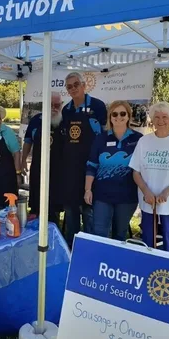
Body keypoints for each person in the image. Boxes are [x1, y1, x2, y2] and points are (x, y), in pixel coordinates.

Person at [84, 101, 142, 241]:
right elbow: (92, 165)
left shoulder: (139, 139)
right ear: (110, 117)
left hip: (127, 196)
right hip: (102, 194)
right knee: (99, 232)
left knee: (119, 235)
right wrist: (88, 189)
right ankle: (99, 261)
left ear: (128, 116)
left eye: (123, 113)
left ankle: (115, 263)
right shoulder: (101, 138)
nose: (118, 117)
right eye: (114, 114)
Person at [129, 102, 169, 253]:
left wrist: (168, 191)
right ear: (152, 119)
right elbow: (136, 171)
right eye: (157, 117)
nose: (161, 120)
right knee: (148, 241)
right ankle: (148, 271)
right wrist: (146, 191)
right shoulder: (144, 141)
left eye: (164, 117)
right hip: (148, 201)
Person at [61, 72, 107, 247]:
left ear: (83, 85)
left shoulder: (98, 106)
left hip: (91, 167)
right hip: (71, 168)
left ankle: (90, 247)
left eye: (75, 85)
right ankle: (71, 246)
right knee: (71, 210)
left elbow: (104, 134)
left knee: (89, 210)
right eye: (69, 86)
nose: (73, 89)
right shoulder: (66, 110)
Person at [21, 92, 63, 225]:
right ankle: (35, 229)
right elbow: (28, 141)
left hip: (58, 170)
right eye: (51, 105)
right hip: (38, 167)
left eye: (57, 105)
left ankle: (53, 228)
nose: (54, 108)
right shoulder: (35, 120)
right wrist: (23, 161)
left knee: (54, 204)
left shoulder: (64, 121)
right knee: (36, 201)